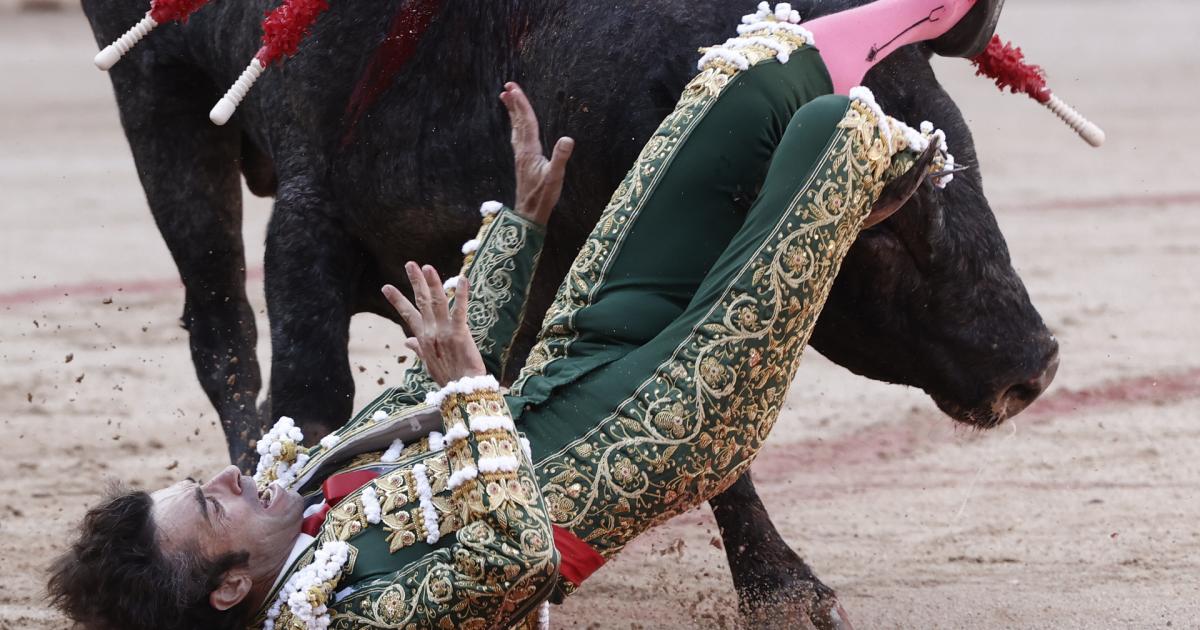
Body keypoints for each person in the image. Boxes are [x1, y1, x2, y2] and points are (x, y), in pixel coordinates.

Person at [48, 1, 997, 628]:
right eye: (210, 504)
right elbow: (516, 556)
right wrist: (468, 392)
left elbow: (431, 379)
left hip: (587, 348)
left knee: (743, 78)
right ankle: (833, 210)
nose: (228, 468)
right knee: (838, 130)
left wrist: (525, 222)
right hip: (674, 418)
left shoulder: (308, 496)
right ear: (228, 588)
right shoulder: (349, 618)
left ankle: (925, 16)